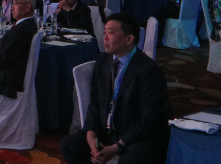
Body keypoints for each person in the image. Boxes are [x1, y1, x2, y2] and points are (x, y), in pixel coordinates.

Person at [60, 13, 171, 164]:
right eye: (104, 32)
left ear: (129, 39)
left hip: (136, 135)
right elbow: (95, 101)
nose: (105, 37)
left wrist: (117, 146)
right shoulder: (103, 60)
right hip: (108, 131)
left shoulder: (148, 70)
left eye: (111, 33)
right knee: (70, 145)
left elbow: (149, 119)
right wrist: (91, 133)